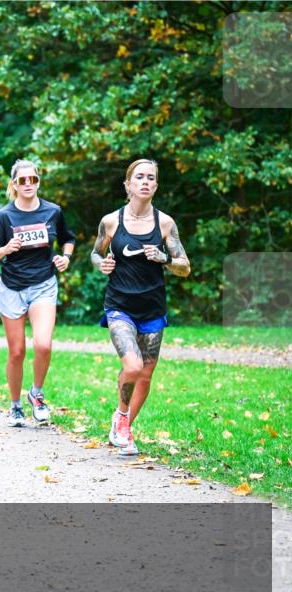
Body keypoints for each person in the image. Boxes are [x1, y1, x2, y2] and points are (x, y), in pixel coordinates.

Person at [90, 159, 190, 456]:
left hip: (152, 309)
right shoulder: (111, 221)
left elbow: (185, 267)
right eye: (139, 177)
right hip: (119, 305)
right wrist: (102, 264)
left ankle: (124, 428)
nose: (145, 181)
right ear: (128, 184)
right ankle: (121, 416)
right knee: (132, 366)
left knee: (145, 374)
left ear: (156, 186)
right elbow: (96, 253)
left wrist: (165, 259)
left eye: (151, 178)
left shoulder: (165, 223)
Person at [0, 159, 75, 428]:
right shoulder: (3, 217)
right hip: (11, 287)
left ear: (38, 181)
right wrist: (6, 249)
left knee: (43, 344)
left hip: (43, 284)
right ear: (14, 184)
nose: (28, 184)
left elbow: (68, 238)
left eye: (32, 179)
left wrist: (65, 258)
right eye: (22, 180)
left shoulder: (52, 211)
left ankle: (36, 393)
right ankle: (14, 406)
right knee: (17, 352)